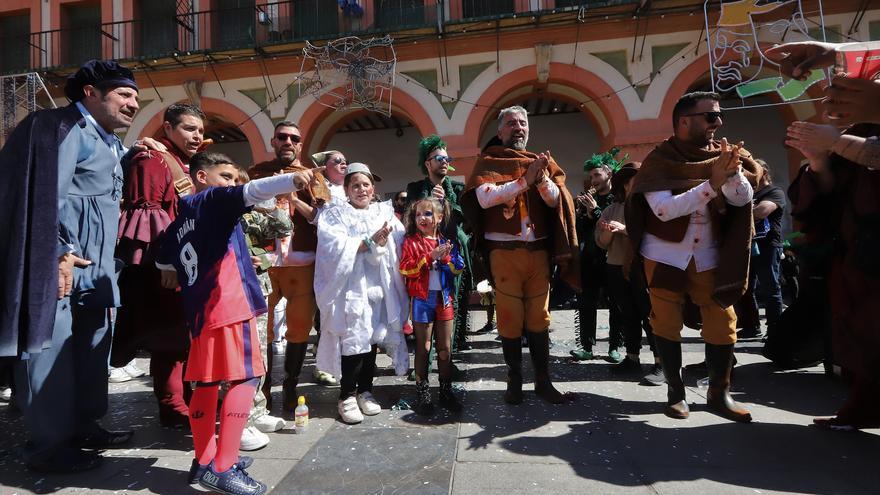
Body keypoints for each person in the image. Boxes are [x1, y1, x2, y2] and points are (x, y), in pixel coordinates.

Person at [0, 60, 150, 473]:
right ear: (90, 93)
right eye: (123, 94)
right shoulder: (60, 128)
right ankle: (48, 448)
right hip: (62, 264)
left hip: (98, 268)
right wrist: (58, 252)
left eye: (135, 97)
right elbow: (46, 192)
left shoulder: (107, 140)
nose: (133, 103)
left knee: (90, 351)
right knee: (50, 354)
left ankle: (82, 427)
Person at [156, 152, 318, 494]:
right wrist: (293, 180)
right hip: (229, 305)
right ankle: (224, 466)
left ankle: (204, 461)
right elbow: (251, 191)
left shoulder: (182, 217)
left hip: (202, 313)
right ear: (202, 177)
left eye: (234, 177)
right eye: (225, 175)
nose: (232, 183)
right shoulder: (213, 200)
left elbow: (162, 254)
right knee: (245, 380)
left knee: (206, 384)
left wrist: (170, 272)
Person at [625, 91, 760, 422]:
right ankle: (676, 394)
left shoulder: (720, 156)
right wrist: (711, 185)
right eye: (711, 116)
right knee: (666, 323)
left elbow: (743, 201)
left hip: (708, 256)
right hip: (665, 256)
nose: (718, 123)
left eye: (719, 116)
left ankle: (719, 393)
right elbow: (663, 211)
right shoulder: (659, 160)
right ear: (684, 122)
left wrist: (733, 175)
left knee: (723, 323)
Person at [462, 106, 580, 405]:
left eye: (523, 123)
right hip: (503, 255)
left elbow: (557, 202)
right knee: (510, 320)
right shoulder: (488, 161)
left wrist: (540, 179)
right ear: (500, 131)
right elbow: (484, 198)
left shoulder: (542, 162)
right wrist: (523, 181)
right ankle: (514, 380)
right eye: (511, 123)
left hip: (538, 253)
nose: (518, 128)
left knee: (540, 318)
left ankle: (543, 380)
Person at [112, 103, 206, 428]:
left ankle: (185, 401)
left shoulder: (181, 161)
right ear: (167, 128)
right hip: (161, 268)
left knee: (183, 338)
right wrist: (165, 265)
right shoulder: (151, 159)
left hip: (182, 264)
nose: (197, 136)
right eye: (189, 129)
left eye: (201, 131)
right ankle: (172, 405)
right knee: (169, 340)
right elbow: (147, 215)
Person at [786, 118, 880, 431]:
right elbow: (827, 198)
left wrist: (837, 142)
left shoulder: (850, 136)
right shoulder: (853, 130)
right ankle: (863, 409)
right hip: (857, 255)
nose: (830, 102)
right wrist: (817, 159)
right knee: (862, 334)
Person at [249, 122, 336, 416]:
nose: (288, 141)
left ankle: (290, 386)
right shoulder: (256, 172)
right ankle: (261, 389)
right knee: (264, 331)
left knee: (298, 330)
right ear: (273, 140)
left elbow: (326, 218)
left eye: (294, 138)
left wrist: (297, 197)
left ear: (301, 145)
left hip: (303, 264)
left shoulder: (314, 176)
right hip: (264, 263)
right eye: (282, 137)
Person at [314, 163, 410, 424]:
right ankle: (346, 394)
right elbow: (331, 248)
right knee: (352, 341)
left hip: (378, 287)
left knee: (371, 340)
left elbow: (402, 241)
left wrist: (385, 241)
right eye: (355, 185)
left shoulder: (384, 212)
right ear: (346, 189)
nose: (361, 189)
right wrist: (368, 242)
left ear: (373, 188)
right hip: (350, 289)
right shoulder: (335, 215)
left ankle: (366, 391)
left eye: (365, 185)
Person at [235, 168, 291, 450]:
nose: (236, 187)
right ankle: (237, 421)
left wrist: (275, 199)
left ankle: (256, 411)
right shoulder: (214, 213)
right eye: (231, 181)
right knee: (238, 359)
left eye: (241, 183)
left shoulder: (251, 215)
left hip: (256, 288)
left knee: (258, 356)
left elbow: (284, 228)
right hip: (230, 293)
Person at [595, 163, 663, 384]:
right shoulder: (612, 209)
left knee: (650, 314)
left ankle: (661, 362)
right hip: (615, 267)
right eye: (637, 178)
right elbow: (602, 244)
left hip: (642, 267)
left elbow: (655, 236)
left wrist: (624, 230)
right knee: (628, 315)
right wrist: (608, 232)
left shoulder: (651, 207)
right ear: (625, 184)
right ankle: (632, 358)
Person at [405, 135, 473, 353]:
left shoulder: (457, 188)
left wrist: (447, 202)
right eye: (438, 158)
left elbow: (464, 218)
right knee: (425, 304)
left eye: (447, 158)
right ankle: (424, 360)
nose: (444, 161)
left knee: (452, 305)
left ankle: (449, 355)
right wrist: (429, 200)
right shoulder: (415, 188)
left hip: (452, 255)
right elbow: (410, 217)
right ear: (427, 163)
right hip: (424, 254)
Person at [399, 197, 465, 415]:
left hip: (444, 299)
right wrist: (429, 257)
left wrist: (446, 260)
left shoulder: (446, 240)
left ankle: (446, 392)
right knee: (423, 347)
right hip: (421, 300)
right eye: (418, 214)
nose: (422, 218)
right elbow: (406, 269)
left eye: (427, 214)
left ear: (439, 217)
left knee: (445, 350)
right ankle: (423, 392)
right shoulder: (411, 241)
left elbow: (458, 268)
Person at [572, 148, 626, 362]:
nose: (592, 180)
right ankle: (586, 346)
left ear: (609, 175)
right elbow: (583, 230)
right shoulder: (587, 200)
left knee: (616, 303)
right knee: (586, 302)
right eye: (591, 176)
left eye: (597, 175)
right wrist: (583, 214)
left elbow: (607, 225)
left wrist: (595, 211)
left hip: (612, 259)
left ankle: (615, 347)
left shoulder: (617, 200)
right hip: (591, 258)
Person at [738, 159, 786, 339]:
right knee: (747, 289)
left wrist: (744, 212)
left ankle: (775, 329)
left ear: (763, 172)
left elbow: (762, 211)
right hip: (749, 246)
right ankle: (752, 326)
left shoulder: (775, 192)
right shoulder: (749, 193)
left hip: (768, 246)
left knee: (771, 288)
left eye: (752, 171)